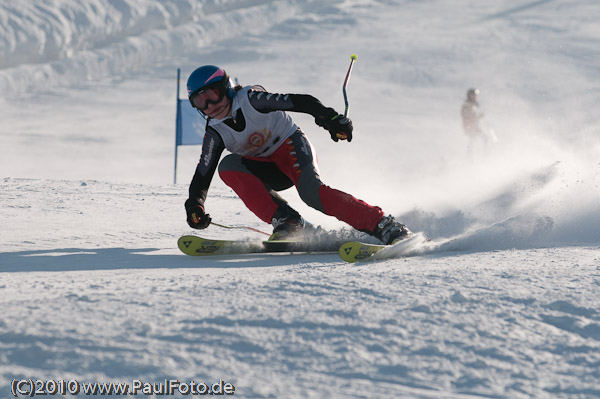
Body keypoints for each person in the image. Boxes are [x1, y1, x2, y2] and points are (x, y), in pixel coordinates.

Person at [183, 64, 411, 245]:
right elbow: (203, 174)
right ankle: (288, 222)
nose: (210, 105)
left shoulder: (251, 99)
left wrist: (330, 119)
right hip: (267, 168)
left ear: (227, 87)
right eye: (200, 102)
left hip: (290, 148)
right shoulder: (215, 131)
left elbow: (301, 101)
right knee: (227, 166)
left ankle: (383, 224)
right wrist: (195, 206)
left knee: (312, 194)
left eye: (213, 94)